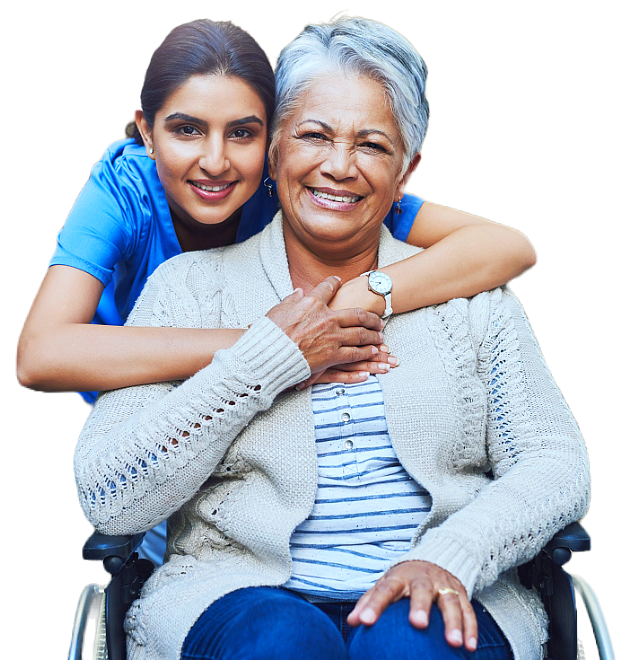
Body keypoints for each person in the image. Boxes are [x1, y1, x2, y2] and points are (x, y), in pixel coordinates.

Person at [73, 15, 590, 660]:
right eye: (314, 135)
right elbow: (111, 497)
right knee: (280, 639)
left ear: (407, 168)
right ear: (276, 149)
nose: (339, 166)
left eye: (371, 145)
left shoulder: (472, 300)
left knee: (413, 637)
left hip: (450, 594)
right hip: (235, 595)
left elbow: (555, 464)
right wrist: (267, 359)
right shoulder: (187, 289)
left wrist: (453, 555)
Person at [16, 17, 538, 407]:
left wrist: (360, 296)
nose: (216, 162)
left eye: (242, 132)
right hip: (154, 418)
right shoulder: (123, 189)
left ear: (272, 141)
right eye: (186, 129)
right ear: (147, 132)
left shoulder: (303, 186)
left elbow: (508, 247)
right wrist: (274, 343)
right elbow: (39, 356)